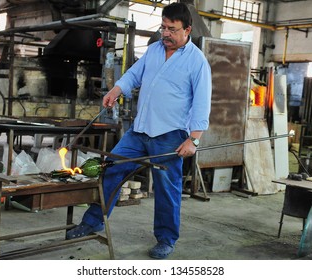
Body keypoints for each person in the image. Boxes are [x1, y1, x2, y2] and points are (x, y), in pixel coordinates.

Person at [66, 2, 212, 259]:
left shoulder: (197, 62)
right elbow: (135, 74)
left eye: (172, 30)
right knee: (111, 170)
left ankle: (166, 239)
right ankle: (93, 221)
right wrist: (117, 89)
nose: (165, 34)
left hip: (170, 135)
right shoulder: (155, 49)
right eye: (163, 27)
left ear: (187, 30)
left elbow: (202, 102)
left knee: (168, 189)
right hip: (140, 129)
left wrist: (195, 140)